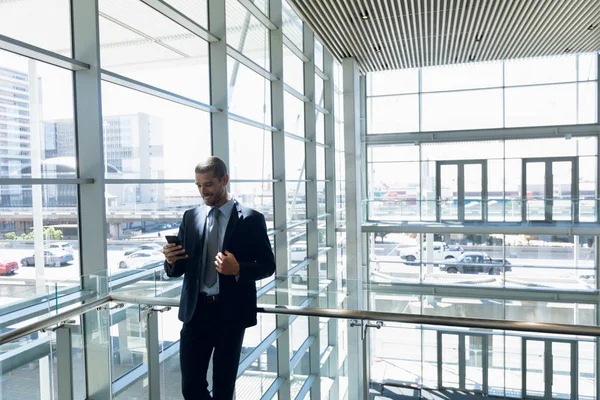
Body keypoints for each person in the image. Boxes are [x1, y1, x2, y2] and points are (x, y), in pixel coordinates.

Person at [162, 156, 276, 399]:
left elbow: (268, 266)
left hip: (230, 315)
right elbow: (179, 269)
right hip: (195, 313)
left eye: (209, 185)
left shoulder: (252, 219)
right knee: (190, 387)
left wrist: (238, 269)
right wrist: (171, 261)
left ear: (224, 180)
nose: (203, 191)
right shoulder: (190, 217)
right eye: (199, 186)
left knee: (223, 389)